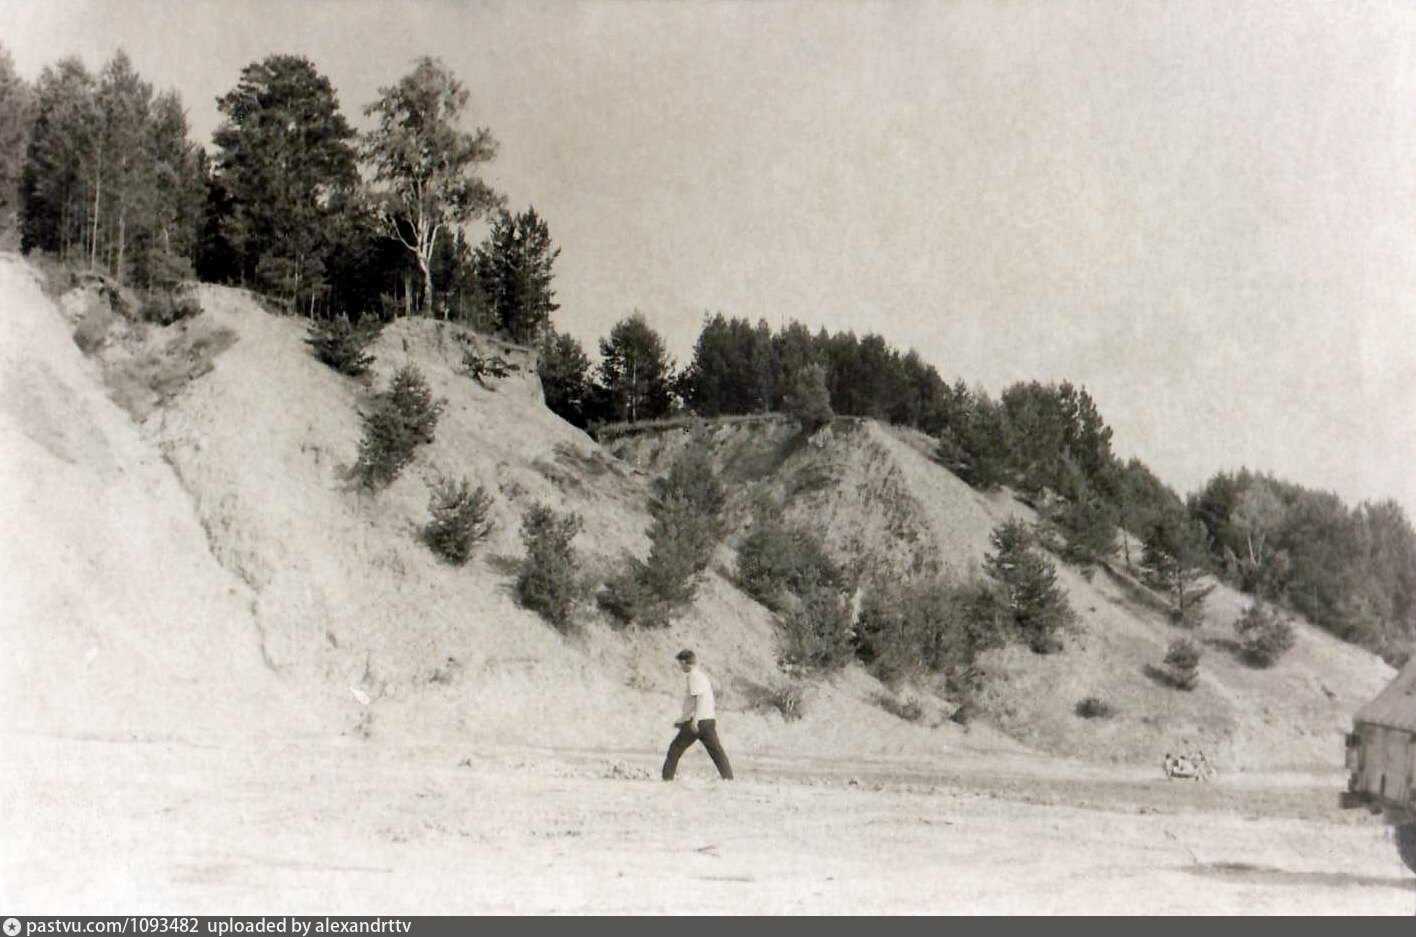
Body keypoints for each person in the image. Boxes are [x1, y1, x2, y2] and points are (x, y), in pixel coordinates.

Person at [661, 649, 734, 781]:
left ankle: (666, 780)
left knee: (675, 749)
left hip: (698, 721)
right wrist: (682, 719)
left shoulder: (694, 676)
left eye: (680, 663)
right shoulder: (701, 676)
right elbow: (697, 702)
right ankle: (729, 778)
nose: (680, 666)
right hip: (708, 719)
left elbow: (699, 699)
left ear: (685, 662)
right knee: (716, 752)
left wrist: (694, 720)